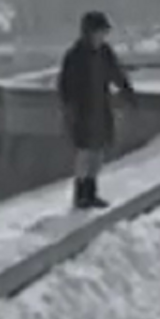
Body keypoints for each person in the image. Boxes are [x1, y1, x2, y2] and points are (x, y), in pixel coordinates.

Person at [57, 11, 137, 209]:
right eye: (100, 32)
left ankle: (92, 192)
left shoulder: (105, 53)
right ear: (89, 32)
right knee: (85, 153)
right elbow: (65, 86)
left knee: (98, 152)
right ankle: (81, 193)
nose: (102, 37)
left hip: (101, 108)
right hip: (82, 110)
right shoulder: (74, 56)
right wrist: (69, 109)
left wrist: (127, 92)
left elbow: (116, 73)